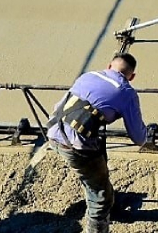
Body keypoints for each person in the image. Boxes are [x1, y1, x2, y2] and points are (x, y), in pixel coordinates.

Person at [48, 54, 147, 233]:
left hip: (54, 132)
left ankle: (106, 201)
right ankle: (97, 225)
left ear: (109, 66)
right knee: (100, 194)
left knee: (95, 171)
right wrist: (149, 136)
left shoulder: (88, 75)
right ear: (132, 77)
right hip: (77, 146)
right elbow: (138, 137)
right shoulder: (126, 92)